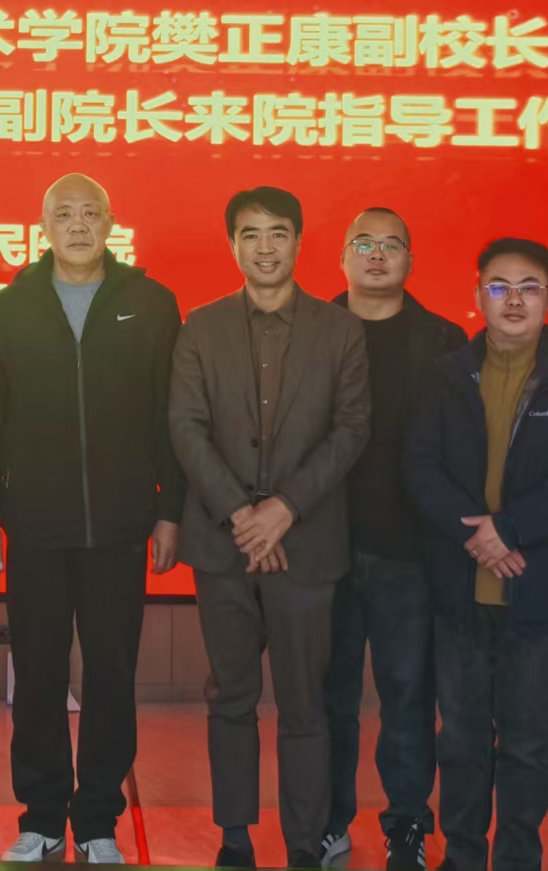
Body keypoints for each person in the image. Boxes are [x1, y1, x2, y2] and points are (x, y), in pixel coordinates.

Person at [0, 173, 182, 865]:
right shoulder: (10, 307)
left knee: (112, 676)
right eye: (65, 214)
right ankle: (40, 817)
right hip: (34, 526)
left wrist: (170, 510)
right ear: (44, 226)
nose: (79, 225)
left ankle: (96, 820)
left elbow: (169, 417)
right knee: (37, 674)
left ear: (111, 223)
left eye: (91, 213)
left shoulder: (150, 304)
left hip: (121, 526)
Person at [170, 187, 371, 870]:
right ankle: (234, 839)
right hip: (222, 544)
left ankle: (304, 844)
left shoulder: (339, 330)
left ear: (299, 241)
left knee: (305, 703)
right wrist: (241, 514)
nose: (265, 247)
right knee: (230, 696)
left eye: (277, 233)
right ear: (232, 244)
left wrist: (284, 508)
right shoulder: (200, 326)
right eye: (250, 234)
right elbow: (186, 427)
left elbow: (351, 429)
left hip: (306, 545)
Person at [404, 238, 548, 871]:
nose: (514, 300)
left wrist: (512, 528)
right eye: (499, 287)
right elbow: (419, 466)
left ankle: (518, 858)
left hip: (539, 593)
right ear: (478, 296)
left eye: (529, 287)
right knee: (461, 741)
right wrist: (478, 536)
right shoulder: (444, 376)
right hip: (459, 590)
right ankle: (463, 857)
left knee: (526, 745)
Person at [322, 208, 466, 871]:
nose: (376, 254)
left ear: (410, 259)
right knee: (330, 697)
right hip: (323, 548)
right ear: (342, 257)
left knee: (407, 695)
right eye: (363, 243)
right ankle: (329, 820)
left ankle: (406, 823)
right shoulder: (310, 329)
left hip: (408, 550)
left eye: (391, 244)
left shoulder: (443, 340)